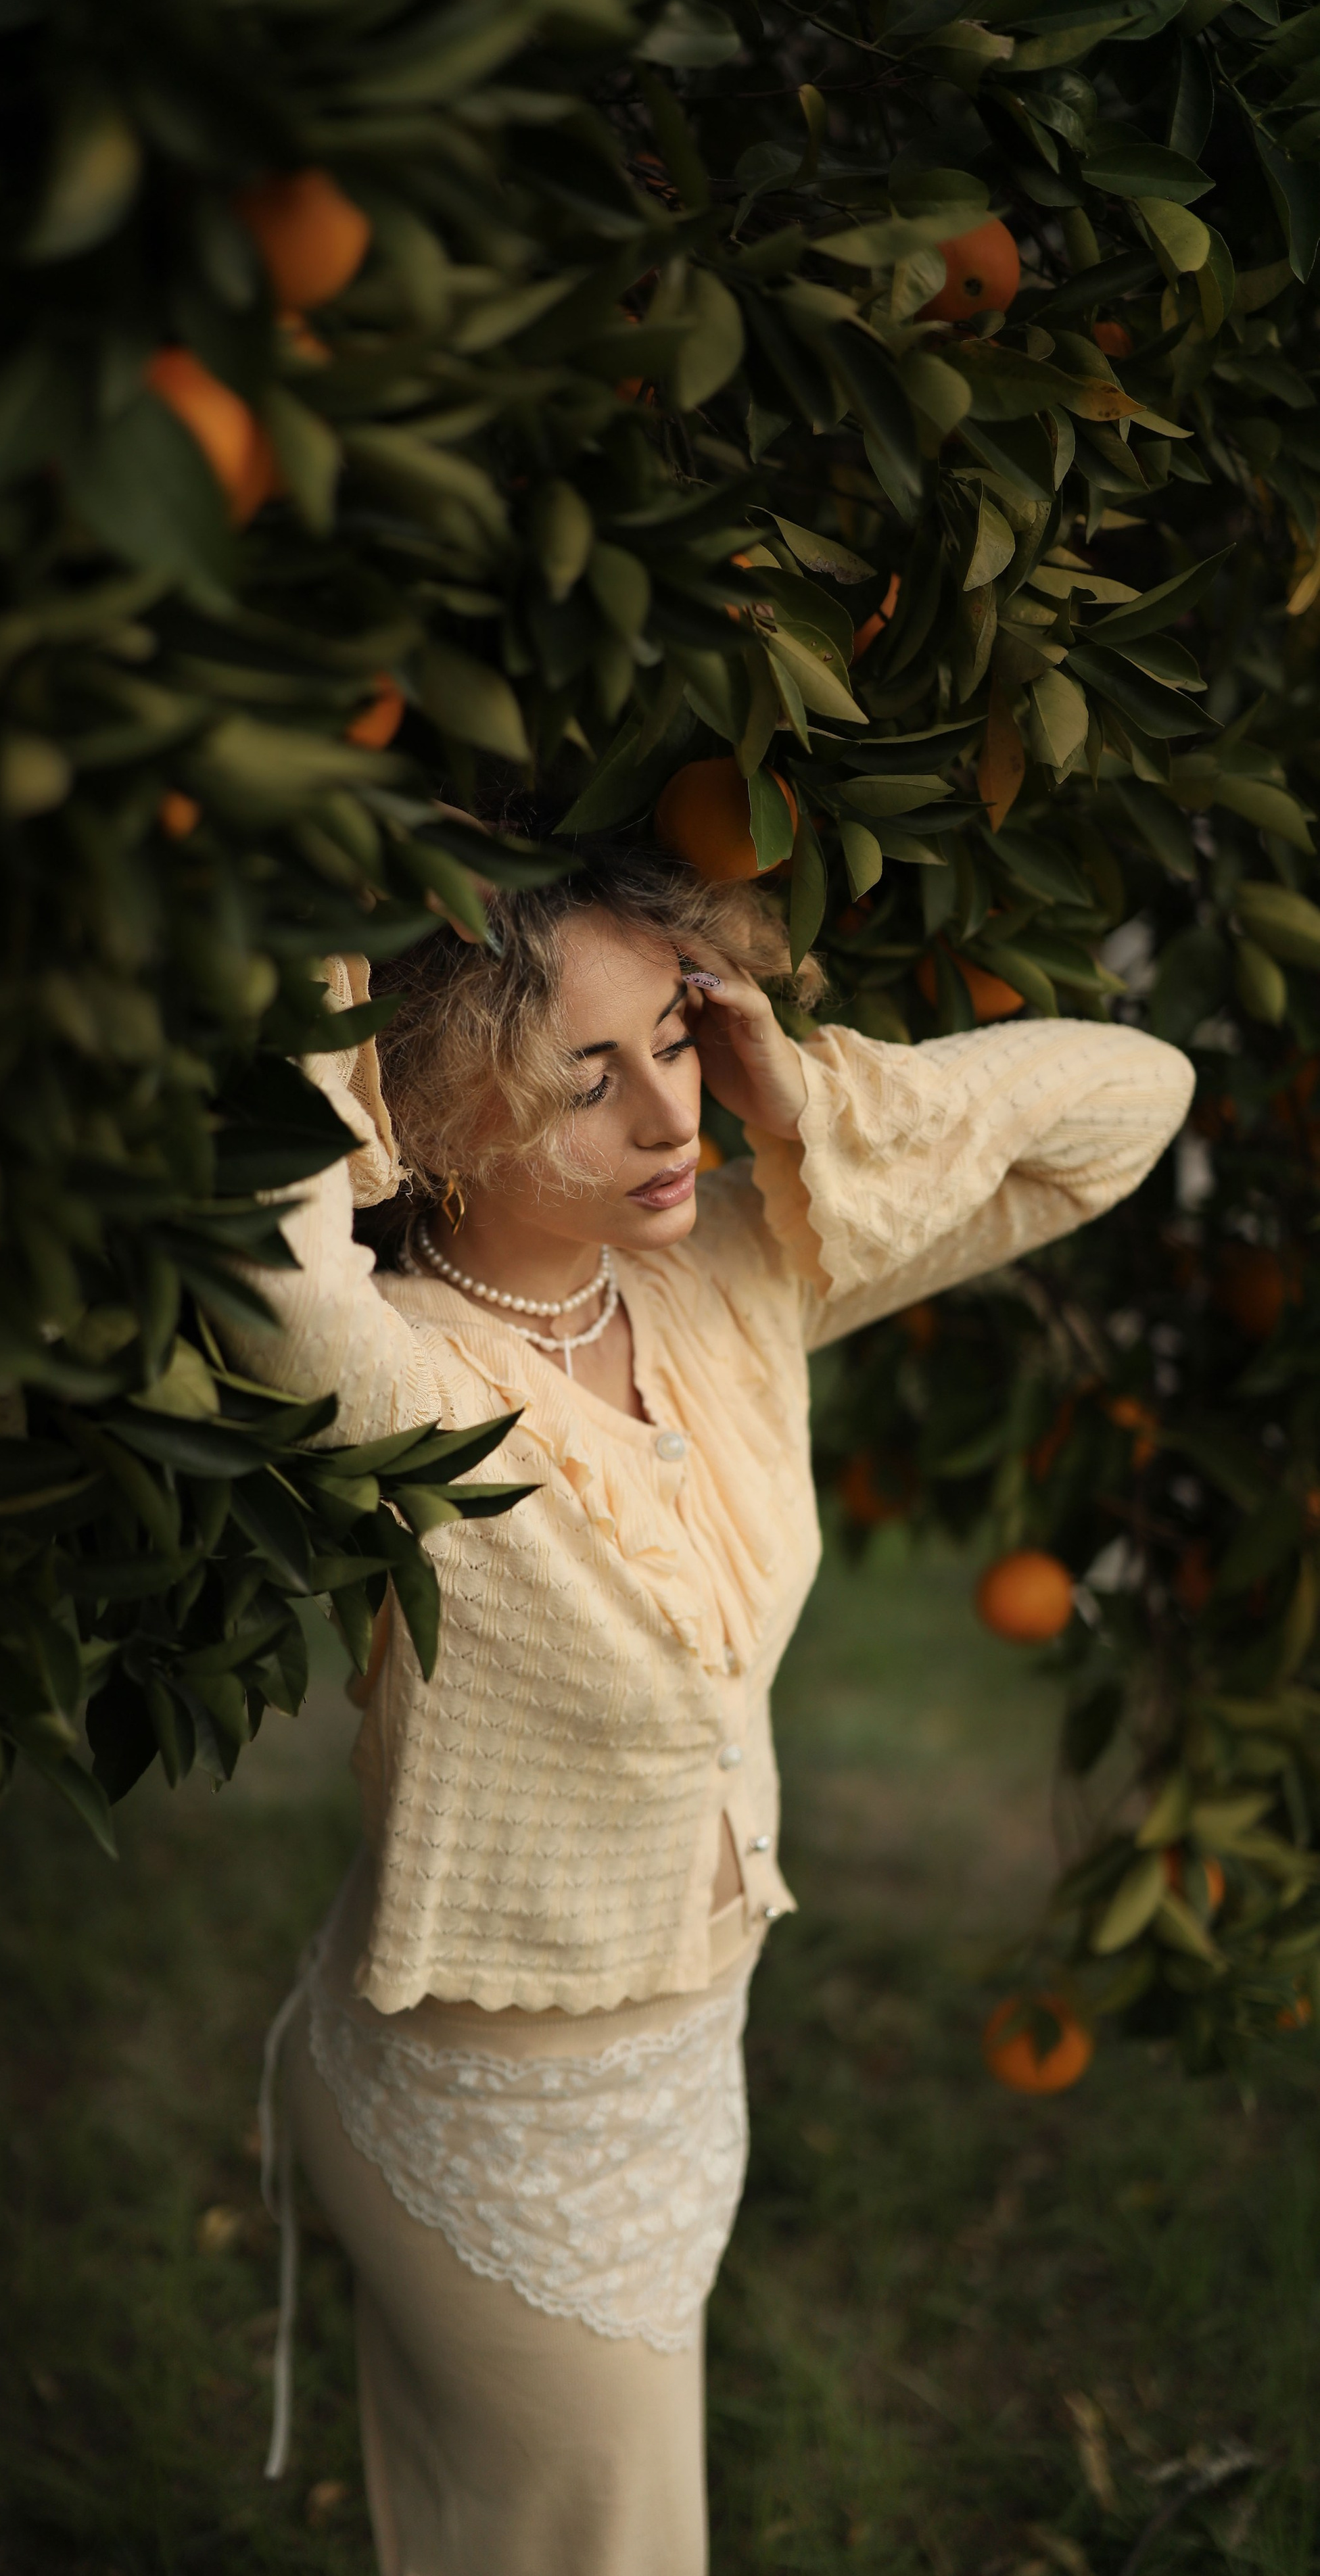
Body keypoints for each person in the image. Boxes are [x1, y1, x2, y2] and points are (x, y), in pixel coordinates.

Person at [227, 843, 1193, 2576]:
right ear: (429, 1121)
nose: (664, 1119)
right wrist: (321, 930)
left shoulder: (737, 1277)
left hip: (686, 2060)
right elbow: (260, 1242)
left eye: (669, 1042)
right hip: (487, 2106)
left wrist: (797, 1085)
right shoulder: (396, 1381)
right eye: (581, 1083)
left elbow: (1127, 1109)